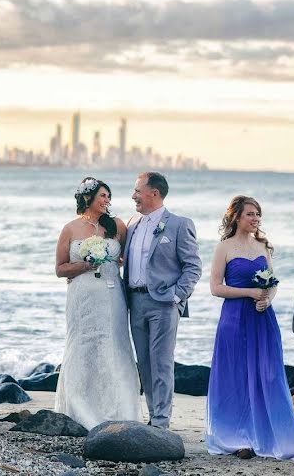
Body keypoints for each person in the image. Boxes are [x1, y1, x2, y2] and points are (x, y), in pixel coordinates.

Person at [205, 195, 294, 460]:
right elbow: (216, 288)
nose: (255, 219)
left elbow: (272, 283)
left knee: (268, 375)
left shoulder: (262, 246)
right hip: (234, 319)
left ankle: (271, 435)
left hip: (263, 319)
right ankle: (237, 436)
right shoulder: (224, 248)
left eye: (258, 214)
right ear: (237, 217)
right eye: (250, 214)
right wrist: (251, 292)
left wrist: (266, 299)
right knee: (236, 375)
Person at [54, 177, 139, 429]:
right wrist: (84, 265)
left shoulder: (117, 226)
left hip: (112, 296)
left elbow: (126, 259)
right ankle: (80, 407)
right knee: (83, 344)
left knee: (114, 344)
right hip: (82, 296)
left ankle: (117, 407)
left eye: (108, 196)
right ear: (87, 198)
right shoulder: (70, 229)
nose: (107, 200)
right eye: (102, 195)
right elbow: (60, 269)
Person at [125, 171, 201, 429]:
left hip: (163, 303)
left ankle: (160, 421)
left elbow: (193, 266)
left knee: (161, 362)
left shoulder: (179, 224)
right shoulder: (133, 223)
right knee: (144, 362)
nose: (134, 195)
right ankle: (152, 414)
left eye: (137, 191)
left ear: (153, 193)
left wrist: (177, 296)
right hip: (134, 303)